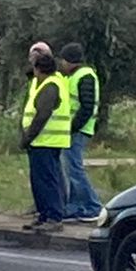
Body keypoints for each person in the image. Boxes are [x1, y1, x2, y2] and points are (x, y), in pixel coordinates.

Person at [20, 47, 72, 229]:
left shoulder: (50, 86)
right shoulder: (52, 82)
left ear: (38, 69)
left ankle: (54, 217)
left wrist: (27, 137)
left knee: (47, 181)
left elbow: (42, 115)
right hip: (45, 141)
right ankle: (44, 215)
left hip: (45, 141)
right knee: (40, 180)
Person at [57, 43, 104, 222]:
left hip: (77, 130)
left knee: (75, 170)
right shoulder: (74, 76)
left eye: (63, 60)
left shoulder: (85, 76)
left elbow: (86, 107)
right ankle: (76, 206)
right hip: (71, 129)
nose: (61, 63)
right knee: (71, 169)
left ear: (70, 60)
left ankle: (92, 206)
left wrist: (72, 127)